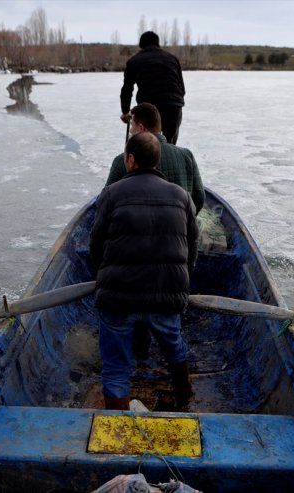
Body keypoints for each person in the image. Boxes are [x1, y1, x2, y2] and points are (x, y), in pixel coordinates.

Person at [91, 132, 199, 411]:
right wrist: (181, 285)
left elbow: (95, 243)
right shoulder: (182, 196)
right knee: (174, 347)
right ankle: (184, 400)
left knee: (115, 367)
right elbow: (193, 245)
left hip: (118, 298)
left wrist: (101, 281)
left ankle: (117, 423)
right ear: (157, 160)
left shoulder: (111, 194)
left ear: (130, 160)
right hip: (166, 297)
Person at [107, 103, 204, 213]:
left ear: (141, 128)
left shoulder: (123, 160)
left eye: (132, 125)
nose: (130, 131)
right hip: (179, 225)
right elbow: (199, 197)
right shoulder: (187, 155)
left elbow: (106, 201)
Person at [120, 31, 185, 145]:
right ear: (158, 44)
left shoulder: (134, 61)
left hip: (149, 109)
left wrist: (126, 112)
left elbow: (127, 89)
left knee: (148, 147)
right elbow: (181, 88)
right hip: (173, 106)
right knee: (169, 145)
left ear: (141, 45)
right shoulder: (172, 59)